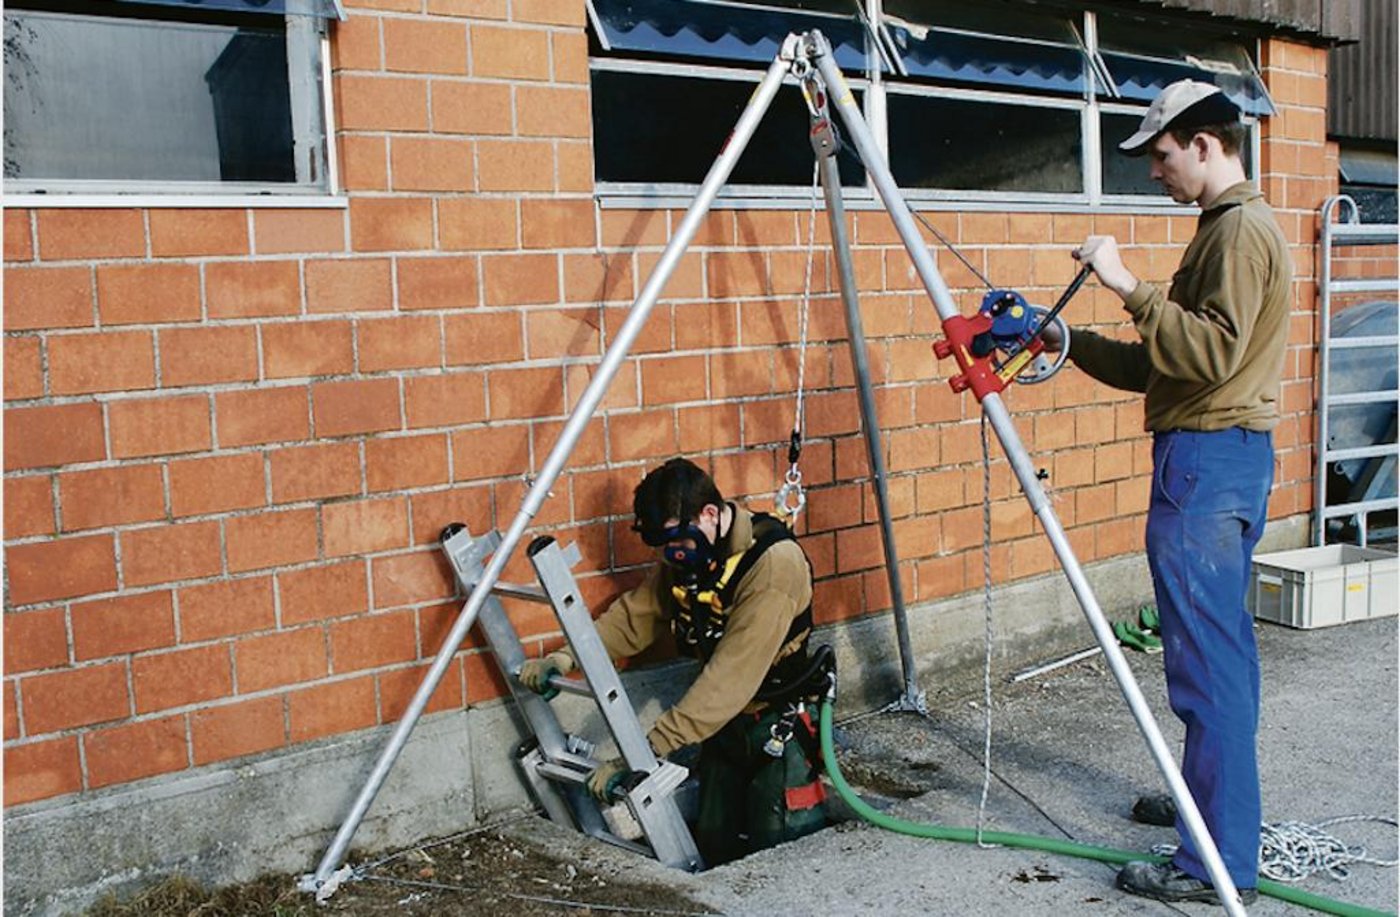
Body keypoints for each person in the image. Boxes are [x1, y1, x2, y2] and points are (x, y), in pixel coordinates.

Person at [1045, 79, 1291, 906]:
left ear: (1205, 144)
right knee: (1219, 663)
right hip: (1221, 456)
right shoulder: (1222, 230)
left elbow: (1210, 354)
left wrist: (1126, 283)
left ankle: (1214, 864)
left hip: (1208, 464)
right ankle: (1213, 809)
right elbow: (1163, 363)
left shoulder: (1240, 233)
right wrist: (1070, 338)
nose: (1155, 172)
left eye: (1160, 155)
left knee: (1206, 671)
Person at [517, 457, 829, 866]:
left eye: (678, 539)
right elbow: (635, 617)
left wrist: (645, 753)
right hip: (723, 728)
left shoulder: (772, 565)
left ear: (711, 513)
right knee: (716, 843)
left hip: (774, 724)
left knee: (783, 853)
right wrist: (564, 657)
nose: (673, 554)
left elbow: (730, 678)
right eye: (664, 545)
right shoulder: (694, 555)